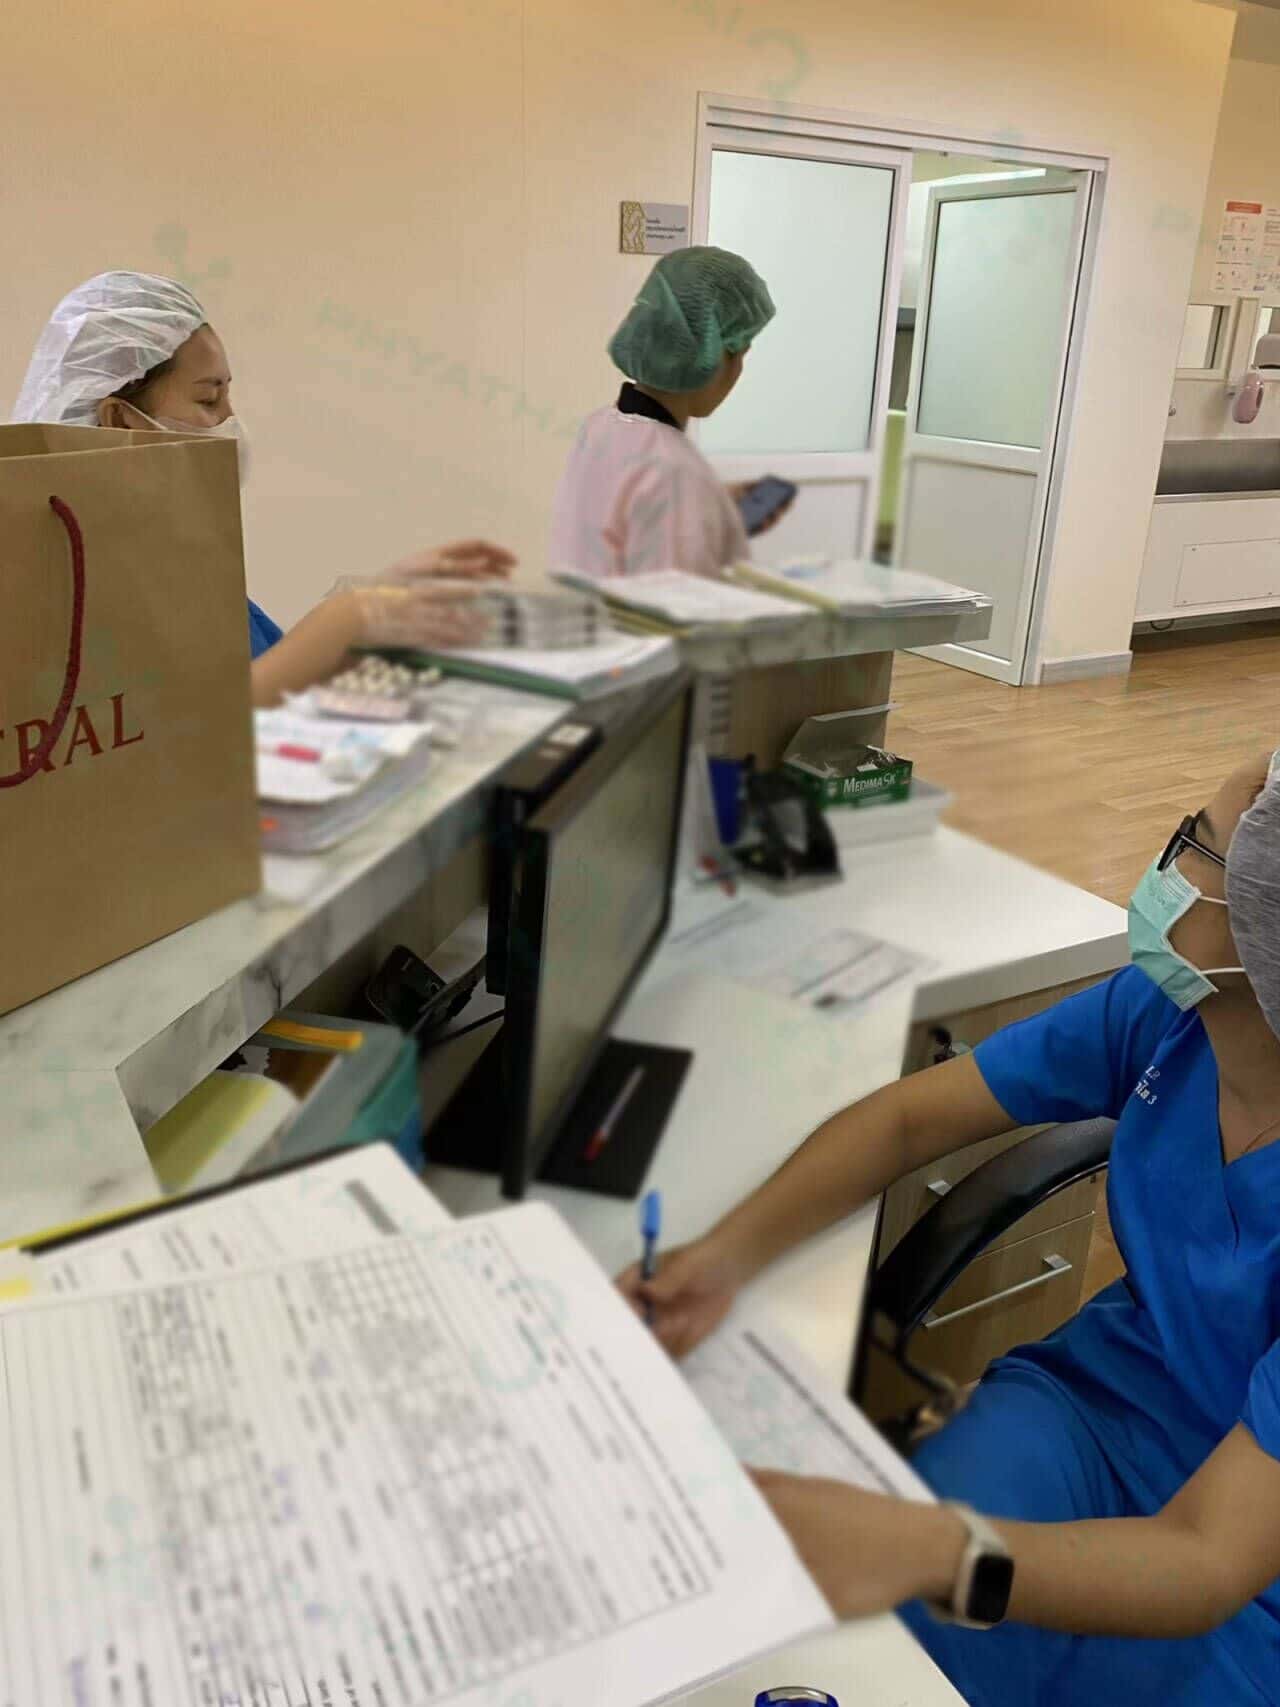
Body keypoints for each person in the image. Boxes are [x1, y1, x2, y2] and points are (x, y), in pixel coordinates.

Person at [619, 751, 1280, 1705]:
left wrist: (937, 1549)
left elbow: (1210, 1558)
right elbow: (909, 1120)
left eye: (1193, 844)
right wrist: (722, 1256)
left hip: (1248, 1556)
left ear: (1262, 928)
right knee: (862, 1652)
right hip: (1092, 1411)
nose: (1164, 870)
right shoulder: (1168, 1016)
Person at [12, 272, 515, 705]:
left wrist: (369, 611)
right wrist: (348, 619)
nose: (230, 421)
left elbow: (254, 680)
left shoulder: (173, 552)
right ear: (120, 420)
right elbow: (183, 734)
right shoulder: (70, 573)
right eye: (208, 400)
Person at [550, 245, 781, 580]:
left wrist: (715, 510)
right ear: (712, 353)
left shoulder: (600, 426)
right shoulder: (674, 473)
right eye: (741, 351)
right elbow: (676, 603)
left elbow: (623, 521)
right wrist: (697, 505)